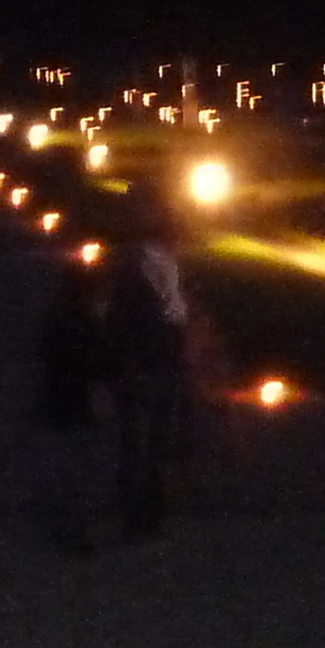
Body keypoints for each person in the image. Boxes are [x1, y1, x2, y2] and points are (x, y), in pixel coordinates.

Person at [108, 226, 194, 539]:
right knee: (141, 444)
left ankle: (146, 512)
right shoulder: (138, 279)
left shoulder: (156, 275)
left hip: (154, 367)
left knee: (149, 444)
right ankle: (138, 513)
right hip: (145, 368)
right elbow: (125, 325)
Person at [30, 260, 117, 551]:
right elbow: (97, 362)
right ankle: (72, 528)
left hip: (63, 403)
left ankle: (65, 525)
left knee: (67, 469)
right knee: (77, 470)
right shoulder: (82, 323)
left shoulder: (56, 320)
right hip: (77, 404)